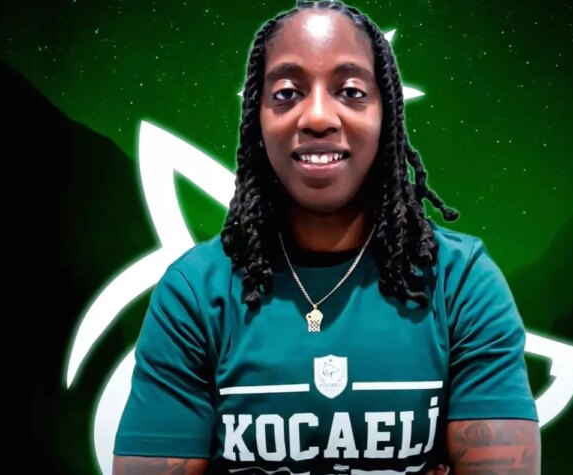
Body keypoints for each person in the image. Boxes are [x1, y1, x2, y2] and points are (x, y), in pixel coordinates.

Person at [112, 1, 540, 473]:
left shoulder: (460, 282)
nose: (317, 117)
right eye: (287, 93)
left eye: (351, 91)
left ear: (387, 114)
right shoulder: (195, 292)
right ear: (257, 118)